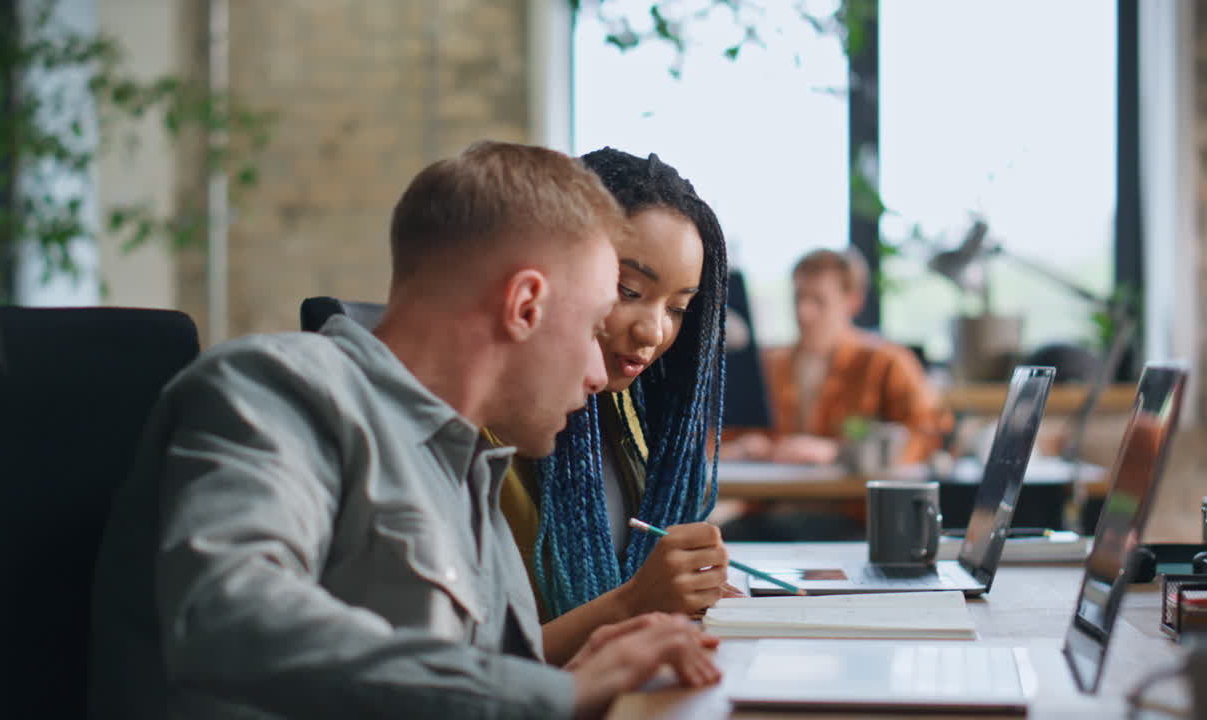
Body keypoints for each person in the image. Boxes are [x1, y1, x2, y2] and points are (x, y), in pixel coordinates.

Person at [90, 141, 721, 720]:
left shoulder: (471, 471)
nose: (598, 373)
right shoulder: (275, 389)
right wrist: (561, 693)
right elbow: (228, 615)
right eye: (590, 326)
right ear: (525, 306)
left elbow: (479, 693)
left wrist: (574, 676)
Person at [497, 147, 733, 666]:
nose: (654, 331)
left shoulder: (620, 414)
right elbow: (470, 669)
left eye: (678, 308)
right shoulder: (481, 433)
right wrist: (636, 602)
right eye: (629, 291)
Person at [720, 247, 947, 466]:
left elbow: (928, 434)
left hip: (850, 492)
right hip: (771, 490)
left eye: (818, 300)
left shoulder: (887, 363)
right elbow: (725, 432)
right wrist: (744, 446)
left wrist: (840, 452)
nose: (804, 312)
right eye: (798, 298)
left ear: (853, 301)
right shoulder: (768, 364)